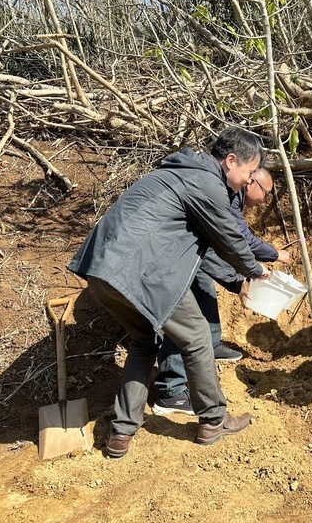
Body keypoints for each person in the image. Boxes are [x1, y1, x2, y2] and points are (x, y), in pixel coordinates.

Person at [68, 127, 270, 458]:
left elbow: (204, 251)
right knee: (198, 339)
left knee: (145, 342)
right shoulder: (206, 183)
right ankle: (214, 420)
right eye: (249, 173)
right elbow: (229, 239)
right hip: (143, 275)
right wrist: (255, 269)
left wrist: (236, 279)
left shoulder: (178, 174)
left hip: (102, 272)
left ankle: (120, 433)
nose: (248, 182)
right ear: (231, 161)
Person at [152, 167, 291, 416]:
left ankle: (212, 344)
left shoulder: (229, 192)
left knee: (203, 285)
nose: (265, 199)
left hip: (187, 250)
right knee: (181, 315)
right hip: (169, 258)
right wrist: (251, 271)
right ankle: (170, 390)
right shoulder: (219, 193)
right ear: (251, 182)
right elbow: (234, 240)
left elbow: (220, 245)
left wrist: (238, 278)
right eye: (266, 192)